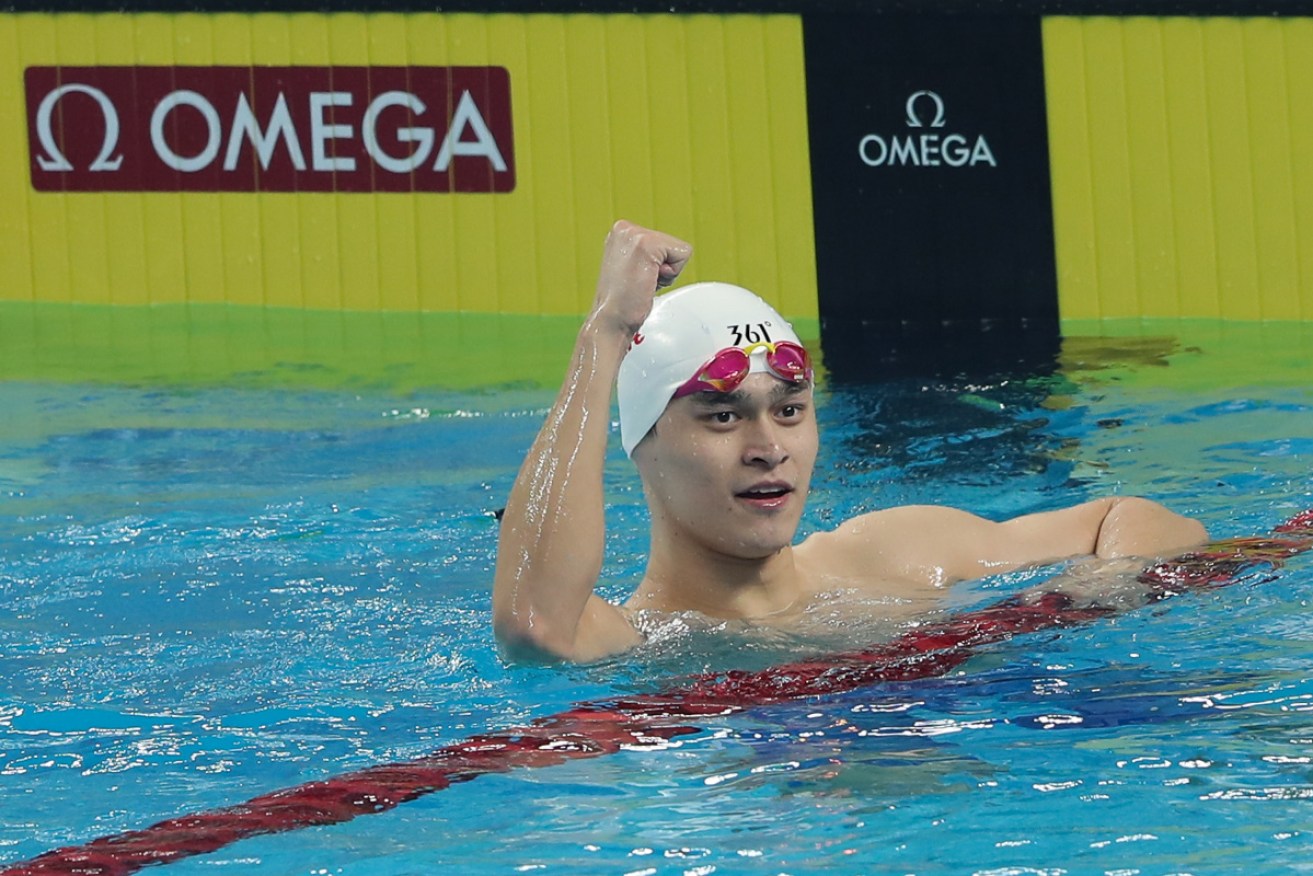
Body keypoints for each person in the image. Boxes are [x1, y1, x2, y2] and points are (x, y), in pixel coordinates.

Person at [491, 221, 1208, 662]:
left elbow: (1133, 518)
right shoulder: (639, 644)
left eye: (790, 410)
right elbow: (535, 625)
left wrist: (1108, 582)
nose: (768, 445)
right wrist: (606, 333)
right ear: (643, 444)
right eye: (721, 416)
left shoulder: (897, 553)